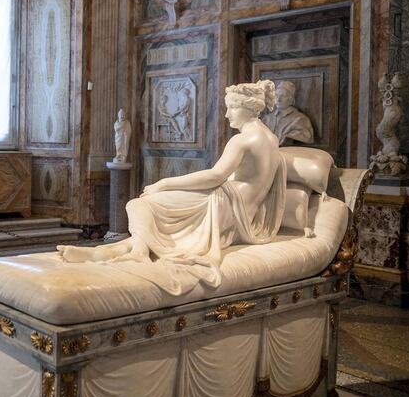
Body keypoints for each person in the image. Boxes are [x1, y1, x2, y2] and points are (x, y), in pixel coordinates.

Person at [58, 80, 286, 295]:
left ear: (247, 107)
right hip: (240, 213)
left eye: (231, 108)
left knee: (138, 204)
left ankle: (135, 253)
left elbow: (216, 176)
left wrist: (164, 183)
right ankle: (105, 252)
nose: (226, 115)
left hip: (224, 205)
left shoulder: (242, 140)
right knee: (159, 227)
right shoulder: (271, 139)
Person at [262, 80, 314, 145]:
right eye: (277, 95)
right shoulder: (267, 119)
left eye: (282, 96)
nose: (278, 99)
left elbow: (307, 137)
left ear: (291, 99)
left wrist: (288, 136)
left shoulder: (300, 119)